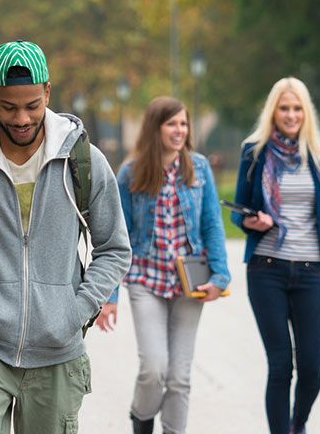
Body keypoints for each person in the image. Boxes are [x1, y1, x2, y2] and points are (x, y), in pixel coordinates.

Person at [0, 39, 131, 433]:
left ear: (48, 91)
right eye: (9, 107)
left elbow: (114, 248)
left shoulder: (83, 161)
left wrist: (76, 310)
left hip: (59, 351)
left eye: (33, 105)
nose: (21, 119)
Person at [93, 96, 230, 434]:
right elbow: (116, 236)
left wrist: (220, 275)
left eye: (184, 124)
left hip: (190, 283)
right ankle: (141, 419)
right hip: (145, 280)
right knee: (154, 369)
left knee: (180, 377)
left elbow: (212, 223)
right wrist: (109, 297)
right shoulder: (132, 171)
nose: (180, 130)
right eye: (172, 124)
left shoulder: (198, 168)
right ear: (156, 128)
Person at [231, 77, 320, 434]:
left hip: (311, 272)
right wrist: (255, 220)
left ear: (306, 111)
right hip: (266, 269)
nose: (291, 115)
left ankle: (297, 425)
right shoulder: (255, 150)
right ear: (273, 111)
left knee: (313, 368)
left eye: (297, 108)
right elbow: (238, 211)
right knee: (281, 365)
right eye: (284, 108)